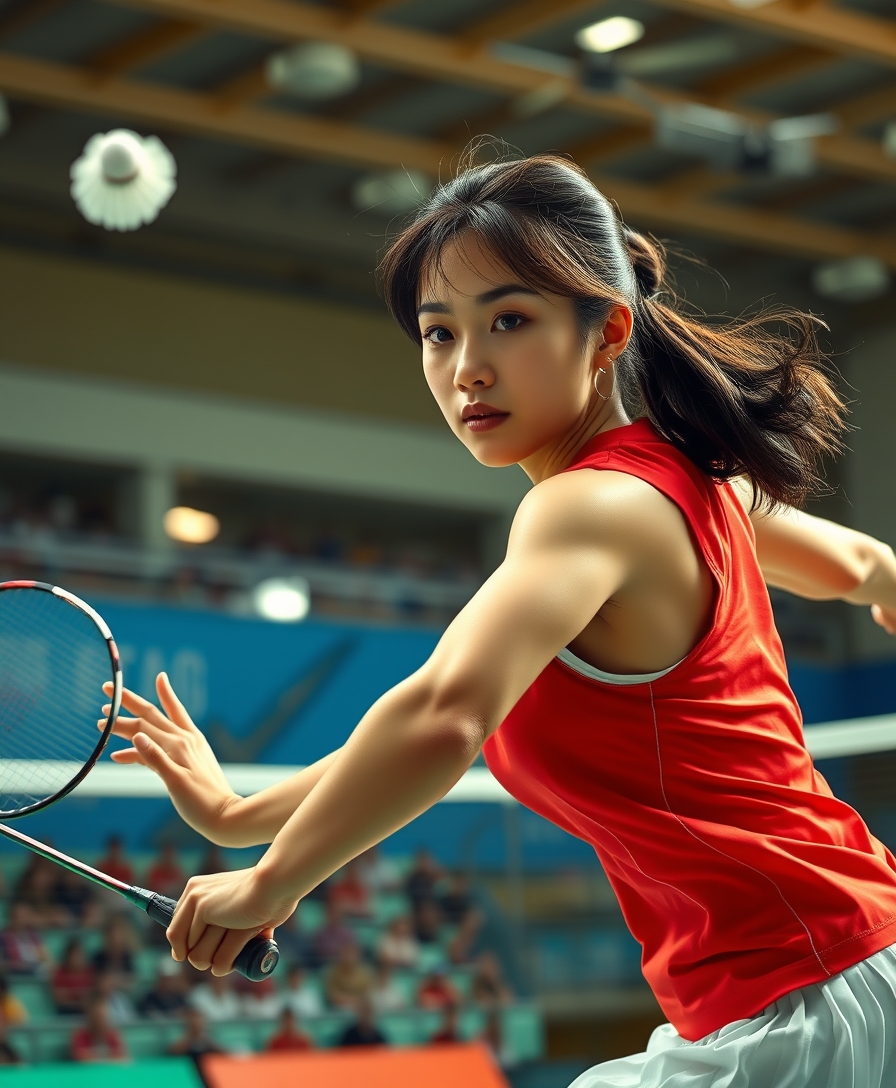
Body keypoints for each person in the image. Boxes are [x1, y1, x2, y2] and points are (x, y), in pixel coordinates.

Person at [103, 147, 896, 1088]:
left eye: (508, 321)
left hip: (809, 989)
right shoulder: (684, 482)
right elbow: (861, 565)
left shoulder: (588, 509)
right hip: (819, 969)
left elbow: (446, 714)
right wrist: (240, 816)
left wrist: (273, 884)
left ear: (605, 331)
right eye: (439, 334)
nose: (467, 369)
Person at [70, 994, 128, 1062]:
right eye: (98, 1016)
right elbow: (80, 1056)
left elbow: (123, 1057)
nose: (101, 1020)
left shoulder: (112, 1034)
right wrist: (108, 1057)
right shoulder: (81, 1035)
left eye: (103, 1016)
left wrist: (100, 1057)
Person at [324, 942, 374, 1011]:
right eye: (346, 953)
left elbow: (368, 994)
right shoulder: (331, 972)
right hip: (338, 1009)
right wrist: (353, 1002)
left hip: (361, 1008)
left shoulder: (366, 972)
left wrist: (359, 1003)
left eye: (352, 954)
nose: (348, 957)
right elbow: (332, 996)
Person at [51, 938, 95, 1015]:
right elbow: (59, 998)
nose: (77, 959)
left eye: (79, 955)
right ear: (67, 957)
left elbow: (93, 996)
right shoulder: (60, 973)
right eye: (74, 955)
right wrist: (79, 996)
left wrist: (70, 994)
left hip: (87, 1011)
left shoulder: (90, 972)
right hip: (66, 1011)